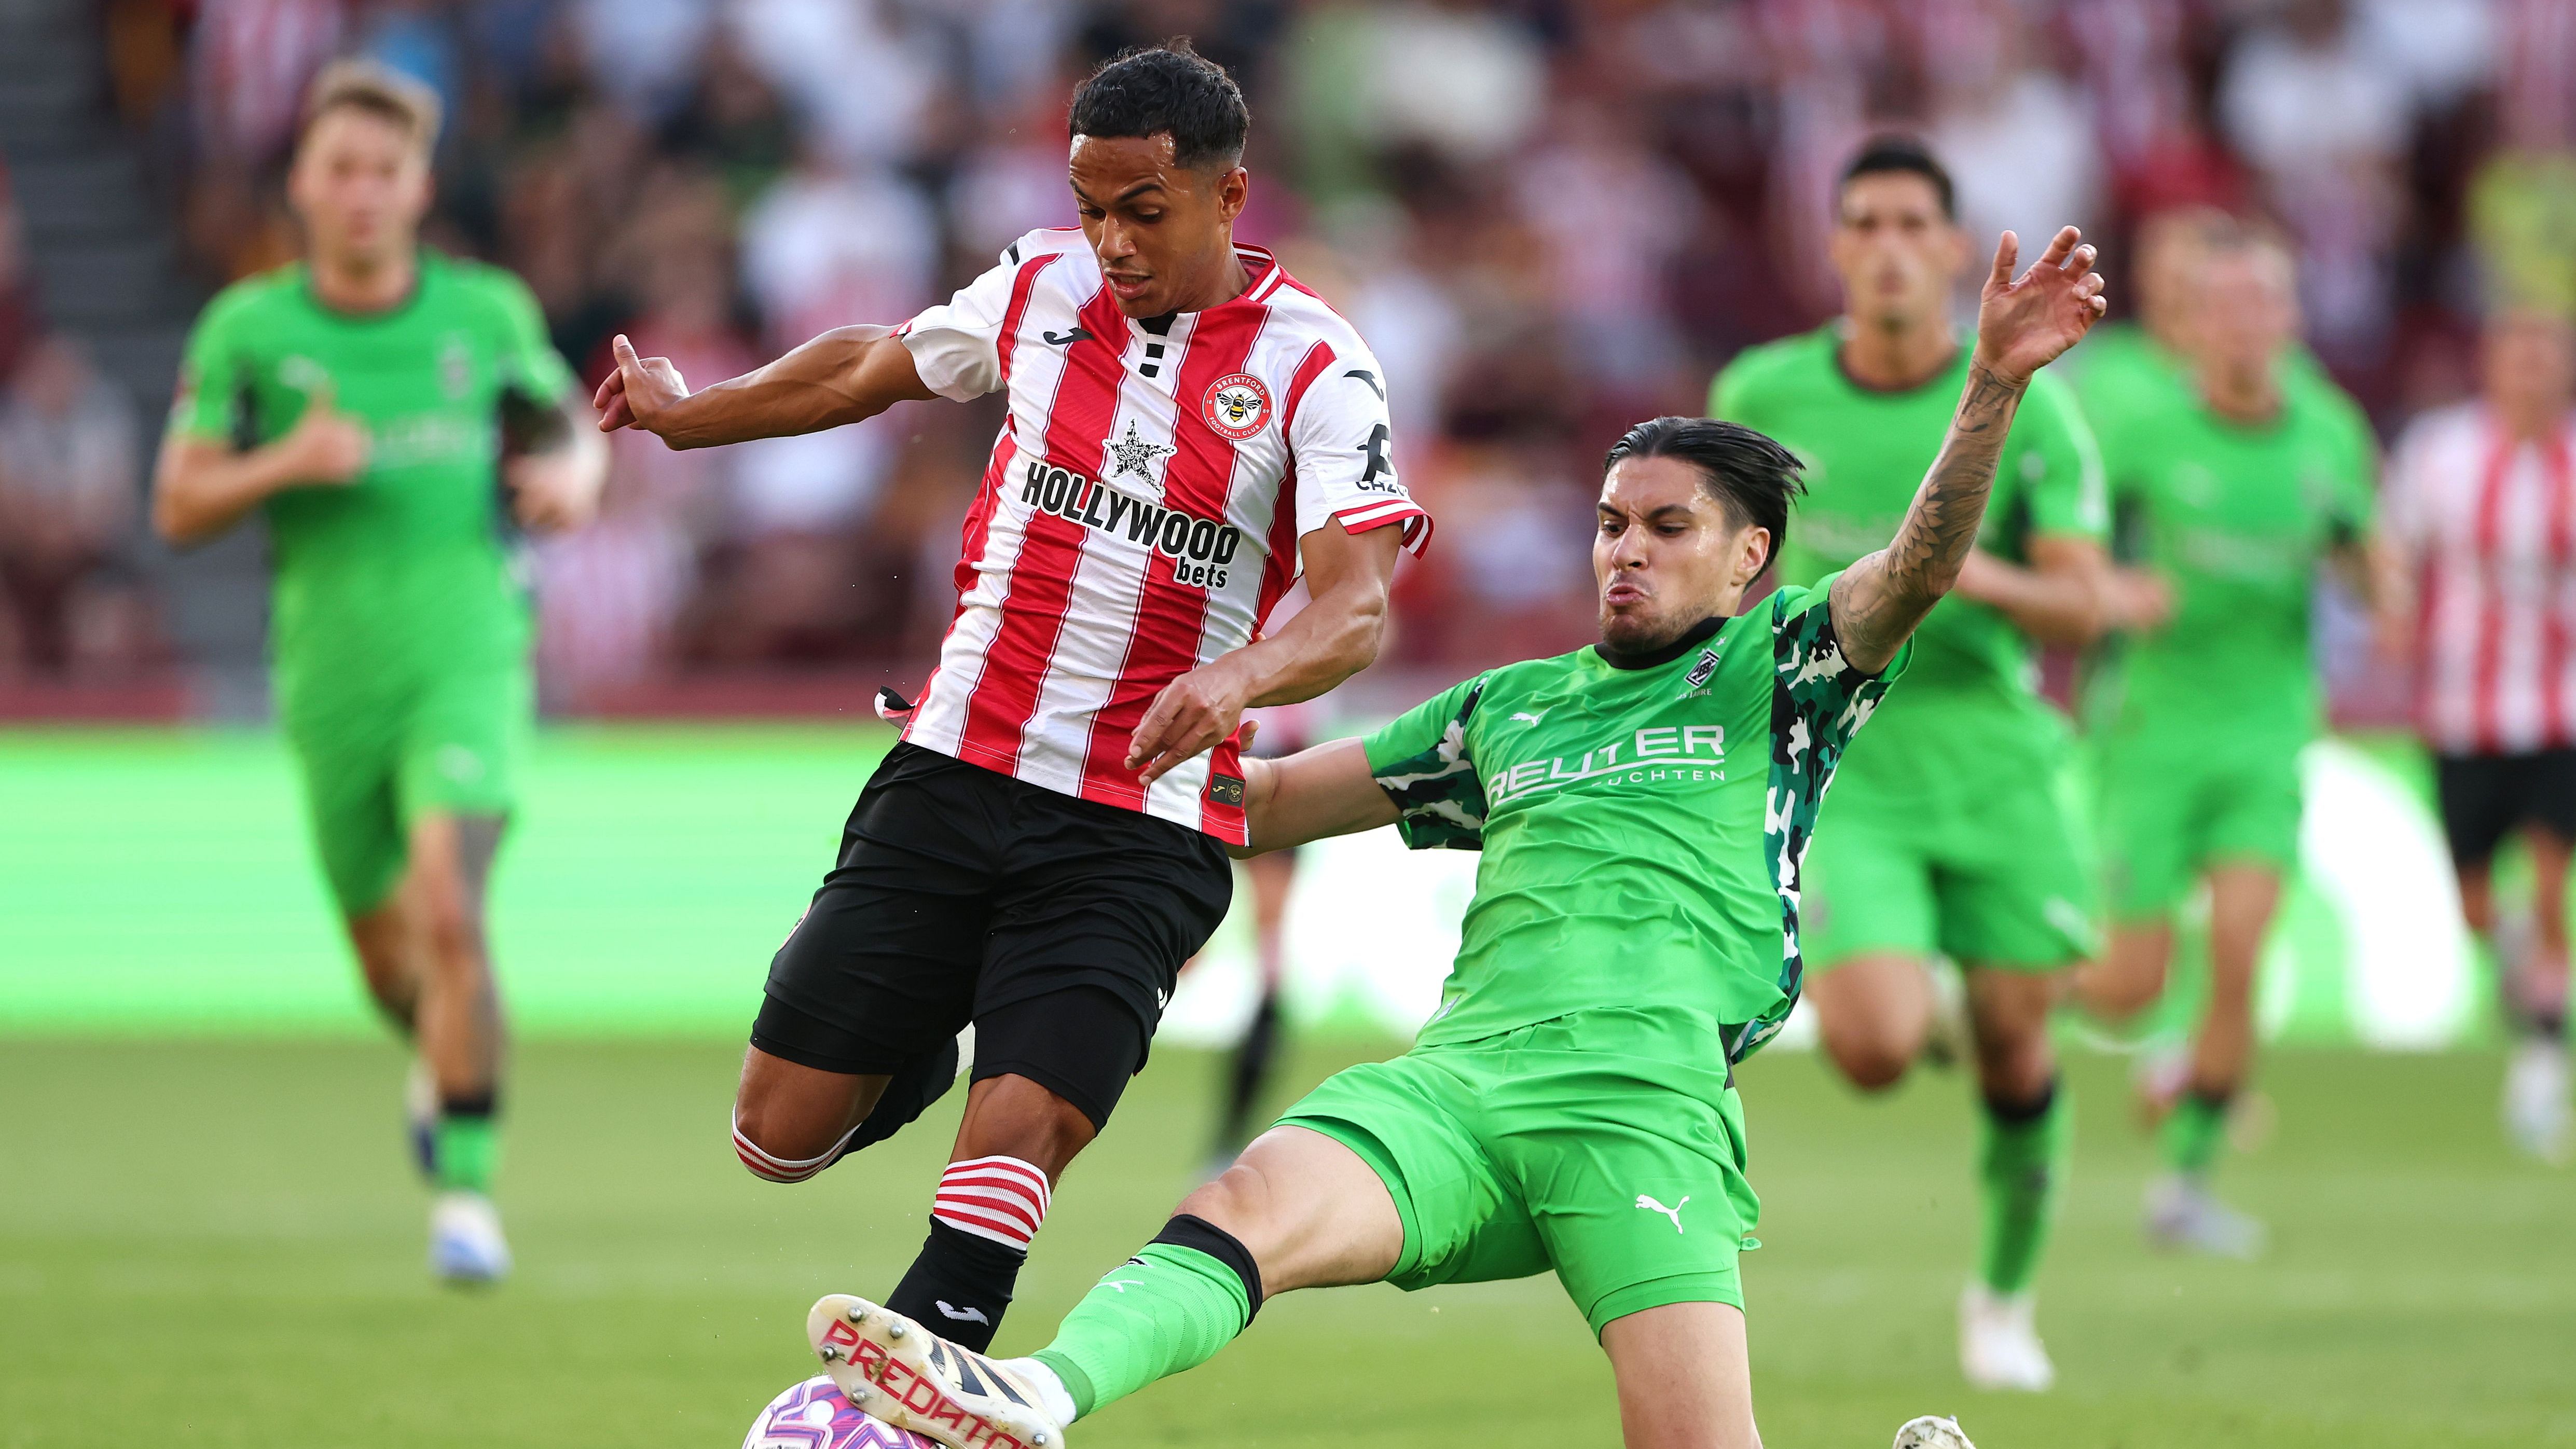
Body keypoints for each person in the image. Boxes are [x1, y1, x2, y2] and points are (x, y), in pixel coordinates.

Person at [798, 228, 2107, 1449]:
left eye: (1666, 530)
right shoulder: (1509, 706)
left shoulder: (1787, 665)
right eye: (1608, 525)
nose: (1624, 555)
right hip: (1460, 1090)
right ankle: (1034, 1391)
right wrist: (1024, 741)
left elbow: (1918, 569)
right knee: (1246, 1201)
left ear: (1748, 559)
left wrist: (1988, 385)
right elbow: (1253, 802)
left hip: (1640, 1110)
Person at [594, 44, 1428, 1350]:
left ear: (1227, 196)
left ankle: (912, 1394)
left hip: (1138, 818)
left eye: (1140, 211)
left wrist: (1234, 678)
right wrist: (695, 418)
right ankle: (929, 1031)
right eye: (1092, 206)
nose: (1109, 240)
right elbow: (876, 362)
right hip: (957, 765)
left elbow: (1355, 605)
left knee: (1024, 1123)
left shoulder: (1321, 369)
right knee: (776, 1135)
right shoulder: (1039, 282)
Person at [151, 61, 607, 1282]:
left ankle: (465, 1198)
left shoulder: (484, 312)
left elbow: (564, 426)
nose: (362, 193)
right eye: (340, 169)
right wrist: (284, 462)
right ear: (302, 183)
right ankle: (437, 1057)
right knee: (388, 958)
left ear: (418, 189)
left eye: (386, 172)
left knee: (451, 910)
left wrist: (572, 479)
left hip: (464, 657)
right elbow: (180, 499)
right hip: (327, 680)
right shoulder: (250, 329)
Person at [1707, 137, 2108, 1391]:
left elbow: (2083, 607)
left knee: (2015, 1044)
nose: (1885, 248)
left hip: (1988, 752)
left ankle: (2000, 1301)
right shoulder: (1763, 387)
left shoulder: (2030, 397)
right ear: (1833, 247)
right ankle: (1912, 979)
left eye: (1909, 226)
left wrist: (1938, 561)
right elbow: (1717, 569)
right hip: (1847, 756)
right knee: (1874, 1048)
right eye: (1861, 223)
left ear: (1946, 249)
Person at [2069, 229, 2381, 1252]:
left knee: (2242, 950)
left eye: (2263, 303)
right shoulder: (2144, 430)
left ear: (2288, 319)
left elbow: (2359, 549)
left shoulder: (2327, 431)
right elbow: (2060, 538)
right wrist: (2108, 590)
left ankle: (2185, 1183)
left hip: (2263, 728)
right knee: (2129, 981)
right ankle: (2007, 979)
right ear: (2193, 324)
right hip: (2153, 725)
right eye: (2224, 304)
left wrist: (2379, 580)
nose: (2244, 322)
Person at [2379, 308, 2576, 1163]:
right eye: (2516, 356)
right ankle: (2531, 1013)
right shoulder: (2439, 454)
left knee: (2544, 880)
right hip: (2459, 711)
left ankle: (2541, 1060)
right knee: (2474, 907)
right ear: (2489, 366)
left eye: (2545, 358)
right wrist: (2392, 614)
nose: (2530, 373)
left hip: (2560, 710)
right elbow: (2394, 547)